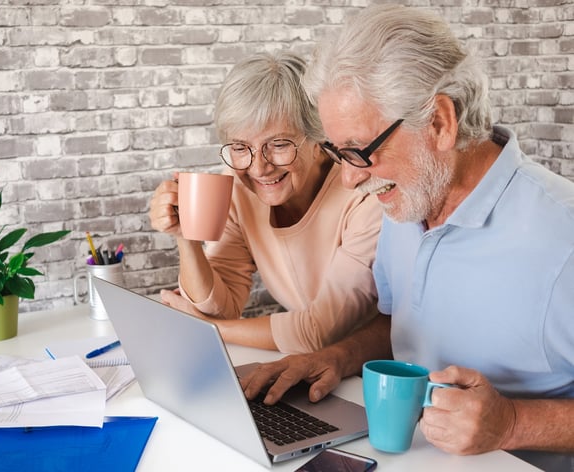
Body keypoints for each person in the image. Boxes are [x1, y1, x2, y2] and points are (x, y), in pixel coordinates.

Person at [239, 3, 574, 461]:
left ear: (439, 122)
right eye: (338, 153)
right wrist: (337, 357)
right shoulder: (405, 201)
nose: (350, 178)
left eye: (359, 151)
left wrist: (512, 422)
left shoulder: (563, 238)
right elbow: (405, 324)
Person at [148, 51, 382, 353]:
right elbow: (221, 307)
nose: (259, 168)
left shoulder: (361, 193)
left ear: (317, 138)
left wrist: (213, 330)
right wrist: (186, 238)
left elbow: (319, 331)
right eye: (240, 147)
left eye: (279, 145)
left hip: (376, 369)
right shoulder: (238, 188)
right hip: (310, 364)